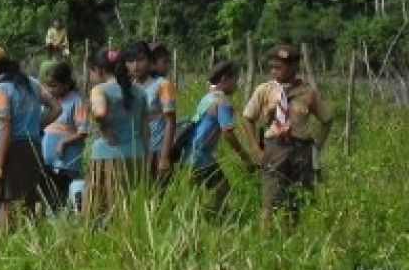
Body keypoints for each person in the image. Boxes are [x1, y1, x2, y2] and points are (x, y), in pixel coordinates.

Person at [242, 44, 333, 228]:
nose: (274, 71)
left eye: (279, 67)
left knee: (295, 201)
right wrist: (255, 149)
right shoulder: (265, 90)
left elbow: (327, 119)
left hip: (300, 151)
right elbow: (248, 119)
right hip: (275, 148)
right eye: (272, 67)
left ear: (293, 67)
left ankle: (289, 236)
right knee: (269, 201)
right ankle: (265, 240)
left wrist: (317, 146)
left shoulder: (308, 93)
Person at [0, 44, 60, 223]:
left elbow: (6, 128)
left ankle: (4, 245)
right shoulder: (32, 83)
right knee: (30, 200)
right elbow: (57, 108)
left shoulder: (1, 90)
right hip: (33, 148)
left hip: (11, 150)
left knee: (5, 203)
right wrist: (36, 126)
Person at [84, 48, 149, 216]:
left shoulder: (99, 90)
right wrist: (147, 155)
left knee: (104, 208)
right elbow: (145, 129)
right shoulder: (140, 91)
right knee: (130, 207)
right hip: (137, 155)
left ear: (98, 70)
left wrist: (104, 127)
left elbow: (100, 112)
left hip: (108, 156)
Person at [186, 61, 259, 212]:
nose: (237, 85)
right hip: (201, 155)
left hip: (190, 152)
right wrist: (245, 157)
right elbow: (228, 133)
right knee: (223, 188)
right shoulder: (222, 102)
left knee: (194, 190)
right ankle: (214, 218)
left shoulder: (207, 98)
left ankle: (199, 216)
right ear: (225, 79)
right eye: (235, 80)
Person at [41, 62, 89, 212]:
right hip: (47, 159)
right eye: (48, 85)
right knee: (50, 194)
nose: (50, 90)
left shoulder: (77, 102)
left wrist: (64, 143)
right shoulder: (48, 102)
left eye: (54, 86)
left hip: (67, 161)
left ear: (66, 84)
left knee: (68, 192)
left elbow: (83, 131)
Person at [126, 41, 177, 182]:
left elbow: (170, 122)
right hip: (136, 150)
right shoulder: (130, 87)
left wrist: (165, 157)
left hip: (157, 149)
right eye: (131, 61)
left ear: (150, 61)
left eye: (140, 60)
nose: (135, 66)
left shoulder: (163, 85)